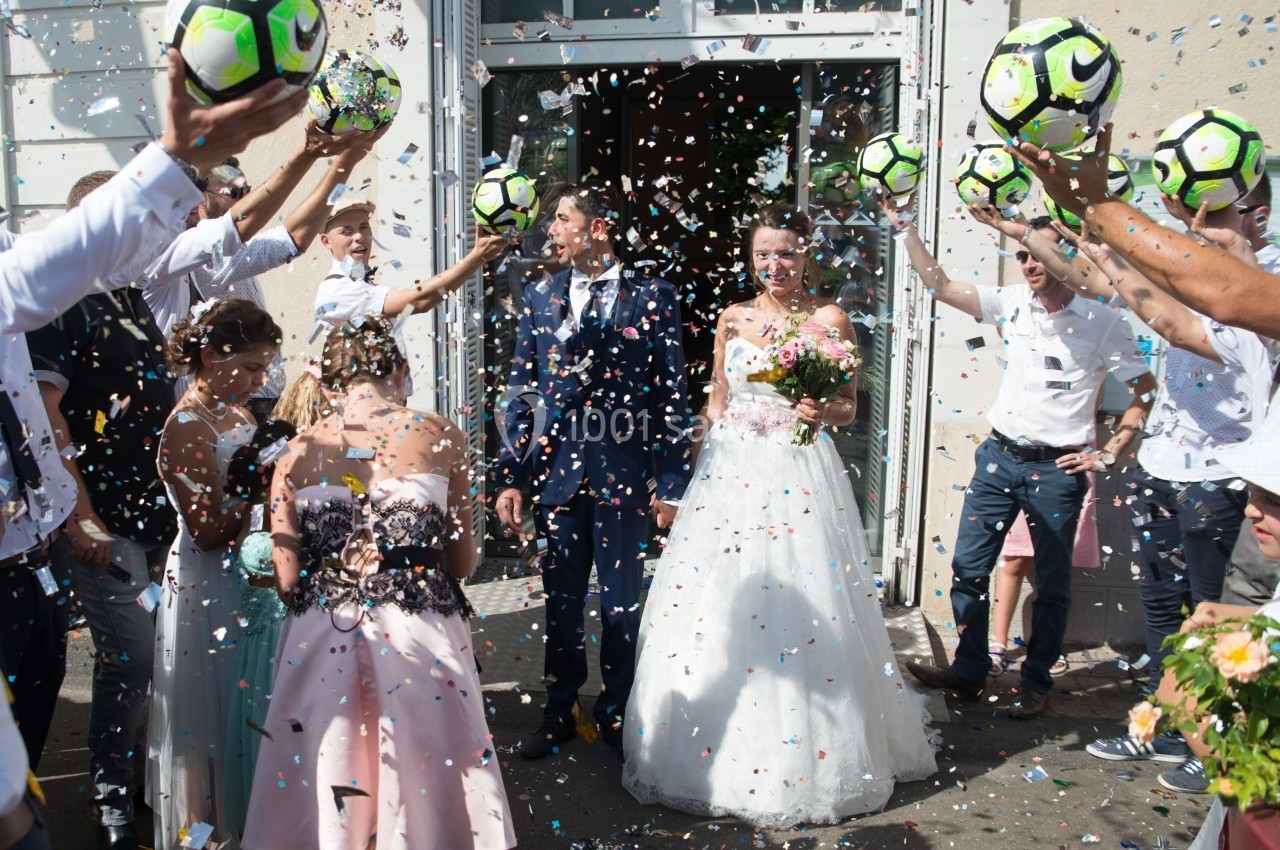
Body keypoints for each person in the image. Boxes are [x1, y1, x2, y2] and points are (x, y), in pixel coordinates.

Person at [621, 203, 937, 826]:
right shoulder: (732, 317)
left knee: (803, 598)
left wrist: (823, 412)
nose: (775, 264)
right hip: (729, 473)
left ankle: (807, 754)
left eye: (786, 251)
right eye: (764, 253)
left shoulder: (830, 320)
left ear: (806, 254)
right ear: (751, 257)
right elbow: (717, 399)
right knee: (719, 599)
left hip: (798, 471)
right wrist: (685, 480)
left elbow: (849, 406)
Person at [241, 316, 515, 850]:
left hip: (323, 631)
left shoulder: (293, 453)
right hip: (419, 629)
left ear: (327, 385)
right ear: (401, 372)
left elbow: (287, 579)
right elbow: (462, 563)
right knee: (424, 767)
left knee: (330, 764)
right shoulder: (441, 434)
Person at [884, 199, 1156, 718]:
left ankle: (1035, 682)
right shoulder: (1012, 302)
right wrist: (905, 229)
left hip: (1057, 469)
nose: (1030, 264)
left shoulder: (1102, 320)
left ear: (1066, 258)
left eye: (1038, 254)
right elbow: (939, 286)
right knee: (968, 567)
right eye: (1023, 255)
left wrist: (1106, 454)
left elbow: (1144, 390)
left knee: (1051, 584)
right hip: (999, 457)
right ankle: (969, 672)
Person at [493, 182, 693, 759]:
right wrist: (510, 475)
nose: (550, 230)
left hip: (625, 477)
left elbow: (672, 393)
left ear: (598, 227)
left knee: (621, 606)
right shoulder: (540, 296)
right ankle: (560, 711)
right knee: (561, 603)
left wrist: (672, 484)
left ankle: (618, 715)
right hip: (557, 477)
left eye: (561, 218)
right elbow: (522, 390)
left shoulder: (654, 296)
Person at [25, 177, 184, 850]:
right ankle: (110, 796)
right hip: (102, 520)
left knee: (159, 657)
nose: (153, 236)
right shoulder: (59, 302)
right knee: (131, 657)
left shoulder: (129, 296)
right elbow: (45, 413)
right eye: (142, 224)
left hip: (155, 513)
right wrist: (80, 513)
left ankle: (144, 782)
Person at [0, 49, 307, 335]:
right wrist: (181, 155)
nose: (190, 202)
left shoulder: (132, 264)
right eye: (232, 191)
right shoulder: (149, 265)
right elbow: (240, 230)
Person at [146, 299, 282, 850]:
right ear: (210, 356)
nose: (259, 380)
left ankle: (250, 826)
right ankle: (207, 833)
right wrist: (252, 488)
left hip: (247, 575)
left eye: (264, 367)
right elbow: (205, 531)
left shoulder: (239, 415)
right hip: (206, 582)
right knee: (210, 717)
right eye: (250, 367)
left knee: (249, 704)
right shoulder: (187, 427)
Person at [143, 122, 386, 419]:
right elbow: (257, 227)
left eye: (246, 190)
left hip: (247, 406)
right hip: (210, 412)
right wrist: (315, 153)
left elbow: (292, 238)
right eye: (234, 191)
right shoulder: (178, 254)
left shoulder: (195, 249)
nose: (244, 198)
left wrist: (344, 161)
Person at [1011, 124, 1280, 339]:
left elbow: (1234, 297)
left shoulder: (1271, 272)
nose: (1199, 217)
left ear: (1259, 216)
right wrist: (1025, 233)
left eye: (1221, 207)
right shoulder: (1204, 265)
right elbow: (1102, 286)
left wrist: (1096, 203)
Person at [312, 204, 507, 326]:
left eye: (364, 227)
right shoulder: (338, 289)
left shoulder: (358, 281)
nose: (359, 236)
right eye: (347, 231)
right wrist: (477, 257)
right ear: (326, 241)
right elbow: (419, 301)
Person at [989, 485, 1101, 677]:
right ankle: (998, 642)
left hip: (1065, 479)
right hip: (1024, 478)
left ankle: (1047, 647)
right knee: (1014, 559)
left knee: (1054, 565)